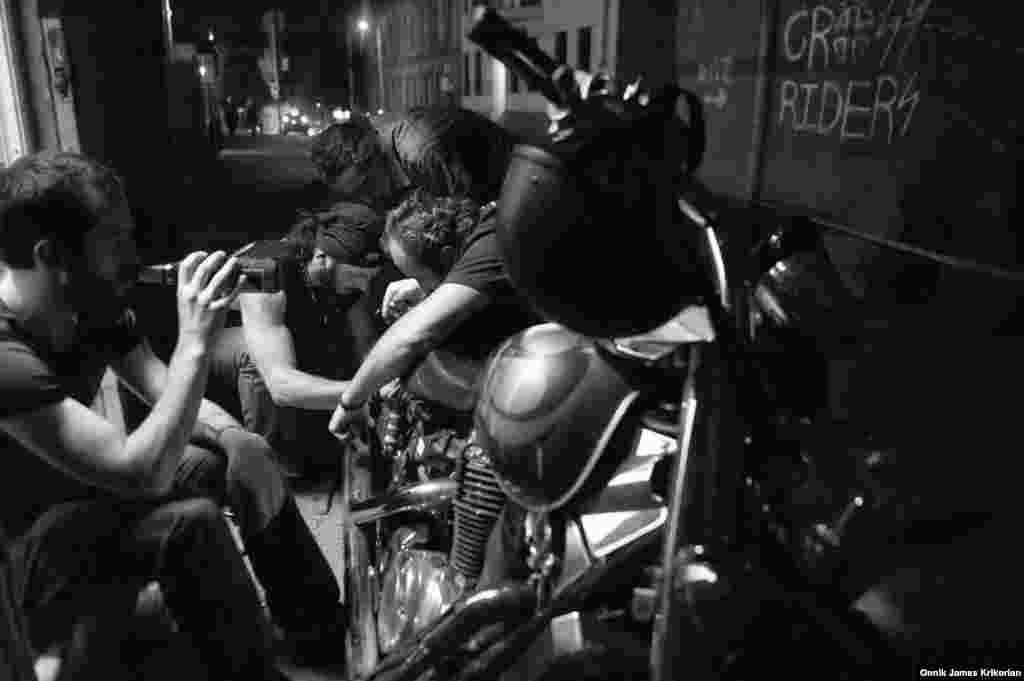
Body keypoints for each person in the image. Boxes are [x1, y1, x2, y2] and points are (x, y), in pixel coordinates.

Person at [0, 151, 343, 678]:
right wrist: (196, 341)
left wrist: (236, 438)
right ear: (51, 257)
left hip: (73, 499)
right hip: (23, 557)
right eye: (112, 241)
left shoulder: (88, 307)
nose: (131, 256)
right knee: (191, 526)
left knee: (224, 456)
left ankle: (315, 633)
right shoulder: (5, 355)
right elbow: (140, 471)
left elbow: (162, 388)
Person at [328, 190, 540, 438]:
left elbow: (411, 337)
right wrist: (427, 287)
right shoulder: (485, 229)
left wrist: (351, 402)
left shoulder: (494, 244)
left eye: (418, 276)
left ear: (449, 257)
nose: (417, 284)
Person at [207, 201, 397, 478]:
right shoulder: (265, 270)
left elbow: (364, 348)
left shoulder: (345, 276)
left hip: (282, 339)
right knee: (256, 358)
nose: (365, 286)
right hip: (213, 350)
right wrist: (366, 393)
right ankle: (268, 472)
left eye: (369, 278)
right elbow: (281, 384)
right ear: (323, 256)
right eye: (358, 276)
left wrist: (387, 379)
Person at [308, 106, 520, 215]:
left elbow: (468, 220)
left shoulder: (419, 151)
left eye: (366, 186)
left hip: (524, 193)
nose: (370, 198)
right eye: (357, 195)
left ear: (368, 152)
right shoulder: (389, 155)